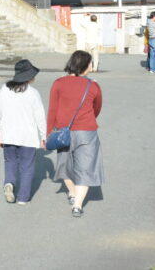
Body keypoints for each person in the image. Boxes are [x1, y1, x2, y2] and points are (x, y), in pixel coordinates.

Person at [47, 50, 103, 218]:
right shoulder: (93, 86)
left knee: (65, 166)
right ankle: (77, 205)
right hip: (86, 131)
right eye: (90, 64)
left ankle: (72, 193)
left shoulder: (58, 83)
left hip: (63, 131)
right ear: (85, 66)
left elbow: (52, 110)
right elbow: (97, 108)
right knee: (85, 168)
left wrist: (49, 133)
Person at [0, 59, 46, 206]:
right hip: (27, 136)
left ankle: (9, 183)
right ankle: (23, 198)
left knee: (10, 161)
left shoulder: (4, 89)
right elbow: (40, 117)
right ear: (29, 76)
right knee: (27, 166)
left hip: (8, 134)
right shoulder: (34, 93)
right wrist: (43, 136)